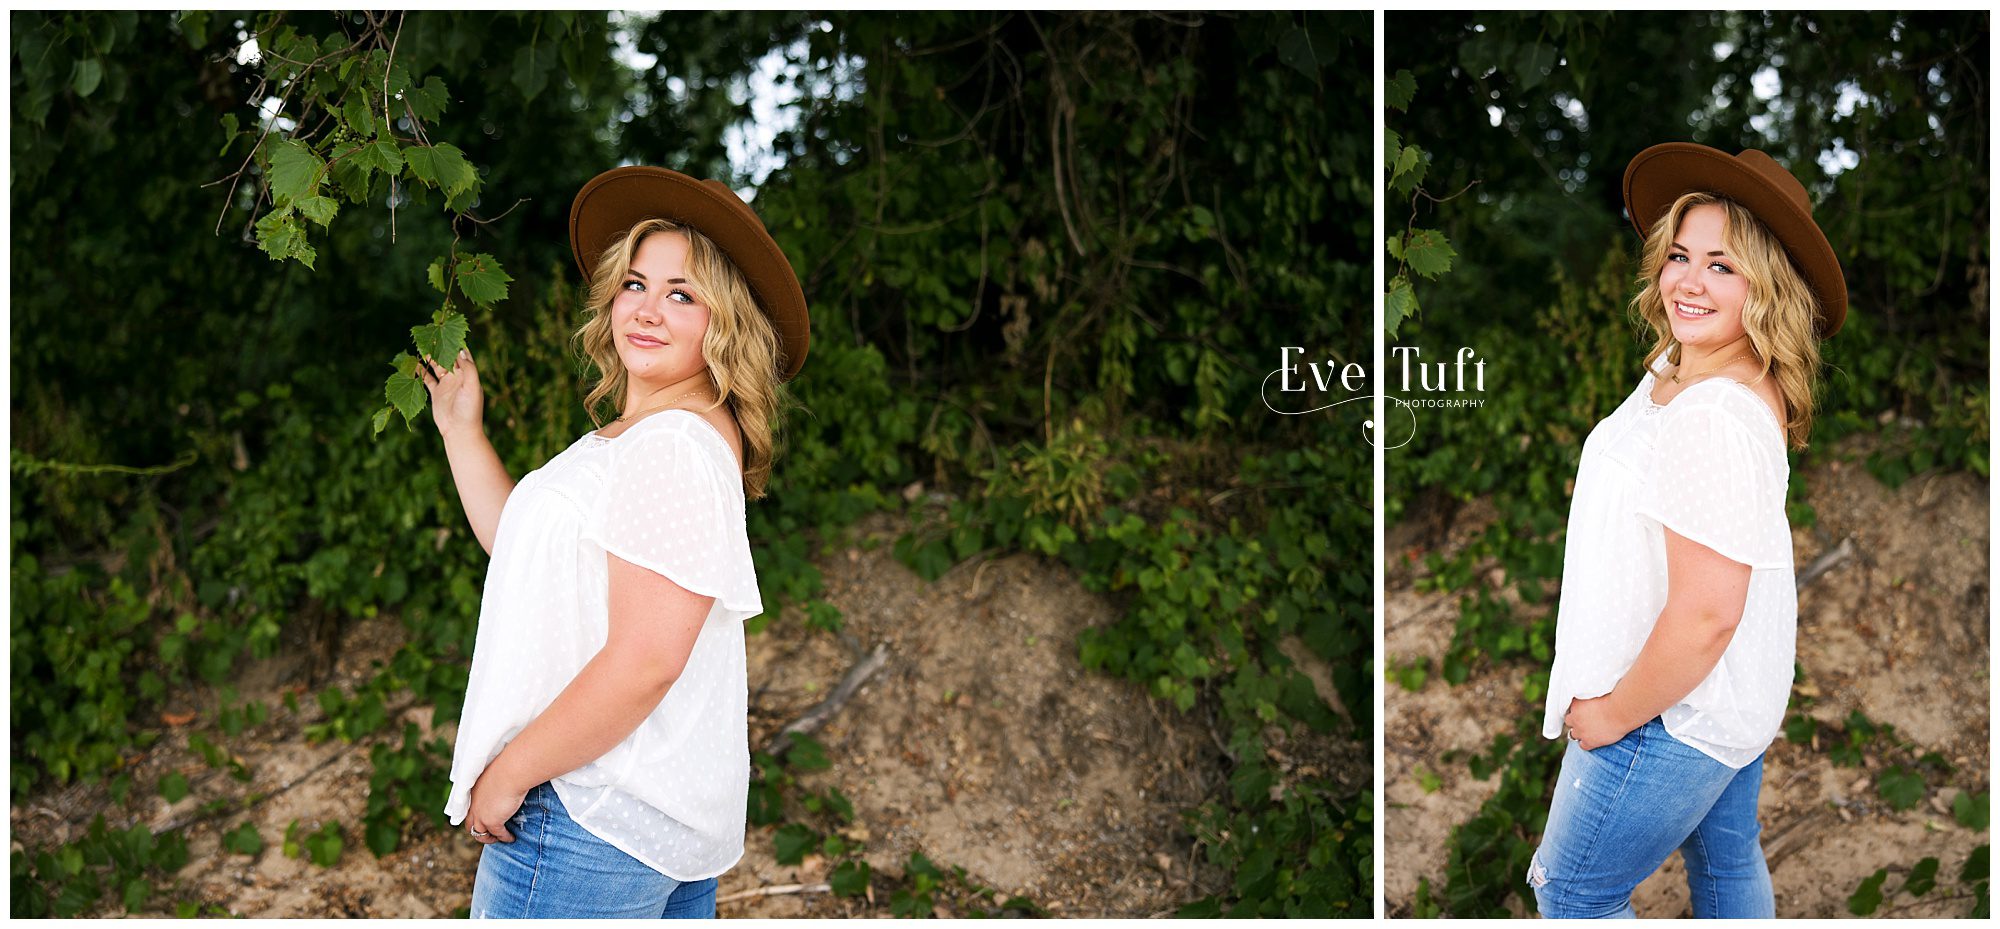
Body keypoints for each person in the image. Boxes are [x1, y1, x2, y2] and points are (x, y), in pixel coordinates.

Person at [420, 166, 809, 918]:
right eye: (635, 283)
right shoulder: (654, 438)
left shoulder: (670, 446)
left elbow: (645, 660)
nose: (648, 309)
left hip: (586, 815)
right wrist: (463, 430)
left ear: (723, 321)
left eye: (682, 294)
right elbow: (529, 556)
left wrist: (509, 774)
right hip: (635, 820)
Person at [1527, 143, 1848, 919]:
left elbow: (1706, 613)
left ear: (1767, 287)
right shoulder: (1700, 368)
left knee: (1573, 893)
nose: (1689, 281)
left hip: (1664, 709)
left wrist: (1609, 713)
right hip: (1731, 695)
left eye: (1723, 266)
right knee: (1726, 856)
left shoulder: (1714, 414)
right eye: (1679, 255)